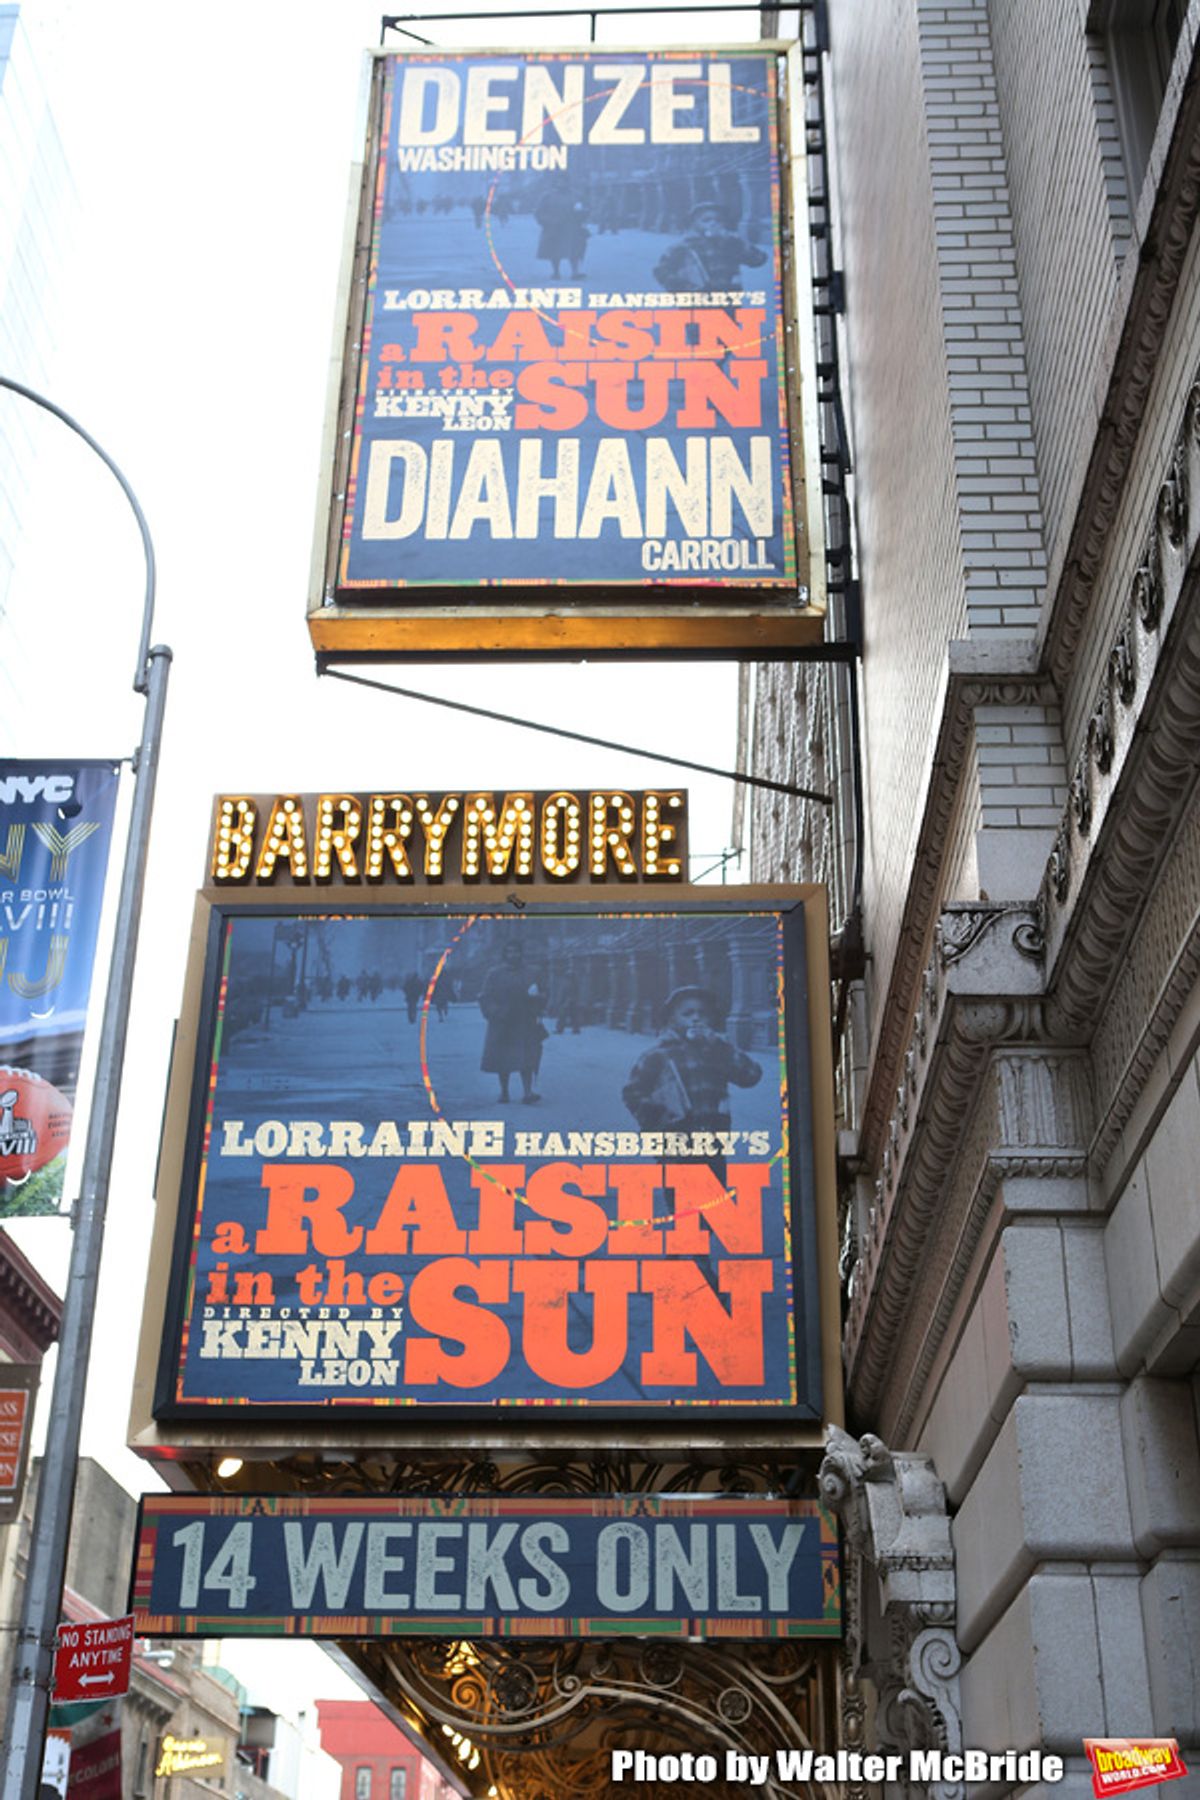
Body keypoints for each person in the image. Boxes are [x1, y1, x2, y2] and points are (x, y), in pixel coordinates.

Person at [622, 987, 761, 1180]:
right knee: (680, 1193)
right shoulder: (658, 1054)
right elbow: (632, 1093)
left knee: (714, 1192)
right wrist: (656, 1117)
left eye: (702, 1013)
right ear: (672, 1019)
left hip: (712, 1139)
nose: (696, 1018)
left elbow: (751, 1076)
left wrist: (719, 1047)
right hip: (674, 1141)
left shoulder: (716, 1050)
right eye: (687, 1013)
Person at [478, 940, 546, 1102]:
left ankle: (527, 1093)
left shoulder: (532, 972)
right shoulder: (494, 974)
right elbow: (485, 997)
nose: (513, 955)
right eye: (509, 952)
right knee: (503, 1058)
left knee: (527, 1057)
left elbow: (545, 993)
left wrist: (538, 998)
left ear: (521, 953)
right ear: (505, 954)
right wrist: (495, 1012)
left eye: (516, 951)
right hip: (503, 1021)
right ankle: (504, 1092)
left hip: (525, 1020)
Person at [652, 200, 767, 293]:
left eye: (718, 220)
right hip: (697, 301)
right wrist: (682, 287)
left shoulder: (731, 243)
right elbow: (661, 271)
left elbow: (758, 260)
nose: (713, 223)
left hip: (727, 299)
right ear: (694, 224)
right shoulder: (684, 246)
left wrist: (736, 242)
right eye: (706, 220)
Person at [534, 181, 588, 278]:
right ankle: (556, 272)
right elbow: (539, 212)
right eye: (559, 180)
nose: (562, 183)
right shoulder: (547, 196)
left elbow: (581, 209)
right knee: (554, 250)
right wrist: (546, 222)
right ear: (555, 182)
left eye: (564, 180)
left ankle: (575, 272)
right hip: (553, 226)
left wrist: (581, 216)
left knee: (574, 250)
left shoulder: (575, 195)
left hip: (572, 226)